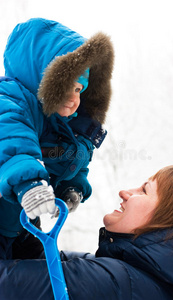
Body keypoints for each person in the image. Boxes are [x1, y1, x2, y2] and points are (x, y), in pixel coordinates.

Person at [0, 165, 173, 299]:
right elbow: (37, 262)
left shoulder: (117, 284)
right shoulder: (141, 283)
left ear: (168, 221)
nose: (125, 192)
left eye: (144, 190)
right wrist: (20, 208)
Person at [0, 17, 114, 243]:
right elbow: (12, 141)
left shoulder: (61, 124)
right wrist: (29, 183)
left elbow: (70, 157)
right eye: (67, 87)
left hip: (22, 224)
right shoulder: (10, 101)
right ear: (43, 77)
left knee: (40, 270)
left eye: (79, 89)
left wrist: (72, 186)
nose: (75, 99)